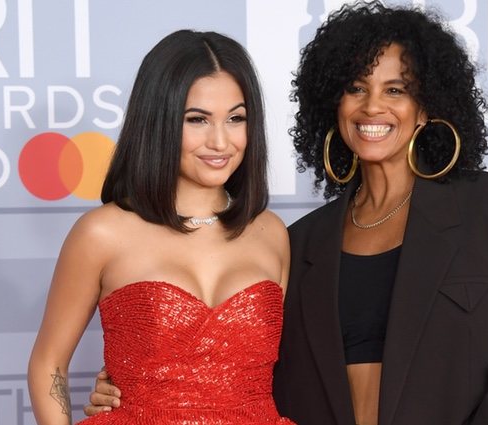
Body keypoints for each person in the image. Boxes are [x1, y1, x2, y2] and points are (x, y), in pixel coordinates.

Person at [85, 2, 488, 424]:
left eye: (396, 90)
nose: (371, 106)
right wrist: (141, 383)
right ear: (331, 104)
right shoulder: (303, 241)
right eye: (355, 87)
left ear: (427, 106)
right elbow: (246, 364)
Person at [27, 29, 293, 424]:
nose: (221, 141)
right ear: (159, 120)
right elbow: (48, 362)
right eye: (197, 119)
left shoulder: (271, 233)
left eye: (236, 118)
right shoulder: (102, 233)